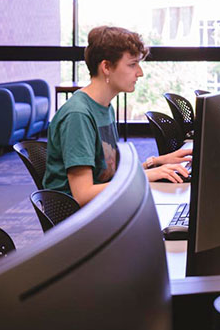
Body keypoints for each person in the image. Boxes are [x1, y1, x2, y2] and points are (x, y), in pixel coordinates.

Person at [44, 26, 192, 206]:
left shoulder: (104, 106)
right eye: (132, 64)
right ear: (106, 67)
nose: (140, 72)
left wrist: (155, 163)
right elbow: (83, 194)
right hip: (83, 222)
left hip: (104, 209)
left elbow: (109, 175)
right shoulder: (78, 115)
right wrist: (144, 176)